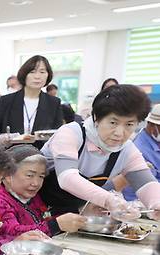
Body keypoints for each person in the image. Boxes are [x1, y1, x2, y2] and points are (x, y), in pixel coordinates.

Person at [39, 84, 160, 218]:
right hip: (37, 212)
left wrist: (156, 204)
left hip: (74, 216)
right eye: (113, 123)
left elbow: (146, 183)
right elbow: (67, 178)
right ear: (96, 118)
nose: (119, 133)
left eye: (129, 124)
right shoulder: (71, 133)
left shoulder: (127, 149)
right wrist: (109, 200)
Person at [0, 145, 86, 238]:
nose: (36, 183)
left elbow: (44, 220)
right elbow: (11, 232)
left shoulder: (31, 196)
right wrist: (55, 225)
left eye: (41, 176)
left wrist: (77, 217)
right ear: (7, 175)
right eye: (29, 175)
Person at [0, 55, 62, 144]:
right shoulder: (6, 100)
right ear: (24, 74)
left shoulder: (54, 103)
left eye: (42, 72)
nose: (37, 76)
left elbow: (58, 132)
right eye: (32, 72)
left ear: (48, 75)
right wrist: (1, 138)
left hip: (42, 155)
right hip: (11, 154)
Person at [123, 104, 160, 201]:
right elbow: (147, 186)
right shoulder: (139, 149)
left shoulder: (155, 144)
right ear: (152, 125)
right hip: (142, 204)